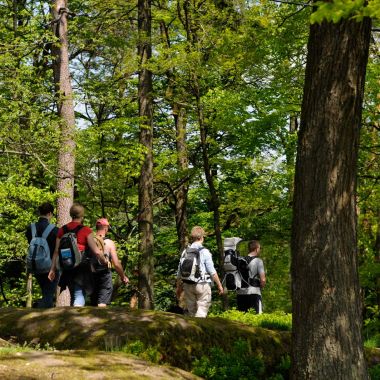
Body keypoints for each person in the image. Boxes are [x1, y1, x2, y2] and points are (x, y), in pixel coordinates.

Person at [48, 203, 107, 306]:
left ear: (71, 214)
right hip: (81, 266)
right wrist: (103, 260)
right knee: (79, 293)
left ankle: (71, 319)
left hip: (67, 265)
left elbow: (56, 251)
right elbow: (96, 251)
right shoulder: (86, 230)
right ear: (82, 216)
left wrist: (52, 269)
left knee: (73, 293)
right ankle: (77, 317)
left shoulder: (62, 230)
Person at [176, 226, 224, 318]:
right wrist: (219, 285)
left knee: (191, 312)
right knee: (202, 311)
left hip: (188, 284)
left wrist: (178, 287)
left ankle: (192, 331)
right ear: (202, 237)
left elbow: (179, 271)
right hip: (202, 285)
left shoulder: (185, 252)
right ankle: (199, 329)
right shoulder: (205, 252)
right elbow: (212, 271)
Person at [26, 202, 58, 308]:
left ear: (40, 212)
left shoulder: (30, 228)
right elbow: (56, 251)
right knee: (49, 294)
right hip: (50, 266)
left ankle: (40, 306)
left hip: (35, 265)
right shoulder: (54, 230)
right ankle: (40, 309)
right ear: (49, 213)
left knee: (45, 291)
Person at [91, 218, 129, 307]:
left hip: (91, 275)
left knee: (93, 304)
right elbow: (116, 263)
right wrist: (123, 276)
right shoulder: (109, 242)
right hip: (104, 275)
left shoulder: (90, 241)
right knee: (102, 303)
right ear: (105, 228)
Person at [236, 240, 266, 314]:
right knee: (256, 316)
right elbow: (263, 279)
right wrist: (261, 286)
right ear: (256, 249)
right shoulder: (258, 261)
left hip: (240, 293)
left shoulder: (240, 260)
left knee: (242, 318)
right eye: (260, 248)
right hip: (254, 292)